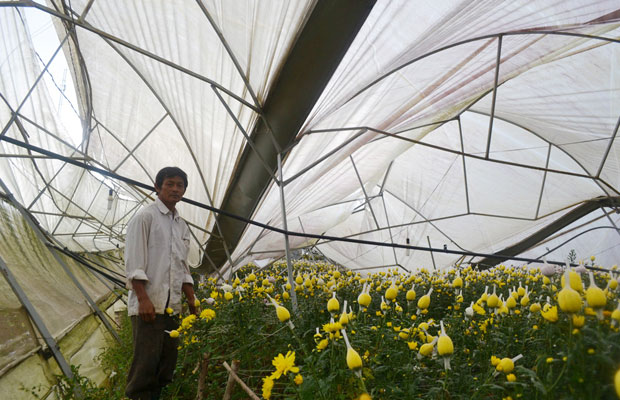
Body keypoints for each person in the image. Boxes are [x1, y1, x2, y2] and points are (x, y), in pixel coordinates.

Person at [124, 166, 198, 400]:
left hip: (171, 307)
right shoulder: (145, 217)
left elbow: (182, 267)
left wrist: (191, 300)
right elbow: (135, 263)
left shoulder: (181, 225)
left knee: (166, 364)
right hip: (150, 306)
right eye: (170, 184)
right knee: (145, 365)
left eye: (180, 185)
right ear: (157, 187)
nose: (176, 189)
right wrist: (143, 299)